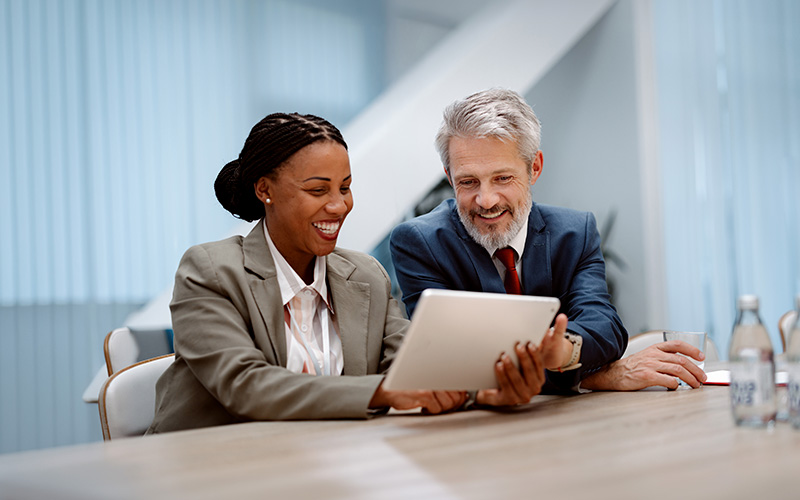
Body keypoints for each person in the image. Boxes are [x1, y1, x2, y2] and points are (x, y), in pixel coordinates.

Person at [148, 112, 540, 433]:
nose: (338, 206)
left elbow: (416, 364)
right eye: (318, 191)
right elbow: (246, 386)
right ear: (264, 189)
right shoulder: (210, 271)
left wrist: (480, 392)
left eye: (345, 188)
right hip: (212, 472)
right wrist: (383, 392)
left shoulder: (364, 275)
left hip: (326, 465)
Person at [389, 88, 706, 394]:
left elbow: (604, 324)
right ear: (449, 176)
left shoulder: (574, 232)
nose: (485, 200)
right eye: (468, 182)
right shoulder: (419, 242)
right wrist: (591, 377)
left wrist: (564, 350)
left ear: (534, 168)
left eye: (502, 178)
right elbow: (451, 364)